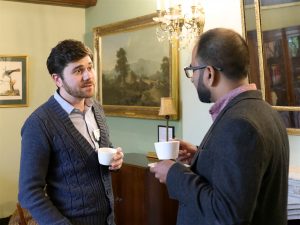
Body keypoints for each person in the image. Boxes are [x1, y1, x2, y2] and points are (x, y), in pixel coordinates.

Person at [150, 28, 290, 225]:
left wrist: (174, 174)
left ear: (209, 73)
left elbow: (227, 215)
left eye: (192, 70)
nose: (192, 80)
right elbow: (245, 173)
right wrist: (200, 155)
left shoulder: (240, 124)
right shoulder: (266, 111)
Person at [18, 39, 124, 225]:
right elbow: (29, 193)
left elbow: (99, 155)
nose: (88, 76)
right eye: (78, 70)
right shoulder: (39, 124)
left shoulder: (96, 109)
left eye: (89, 67)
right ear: (57, 79)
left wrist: (115, 160)